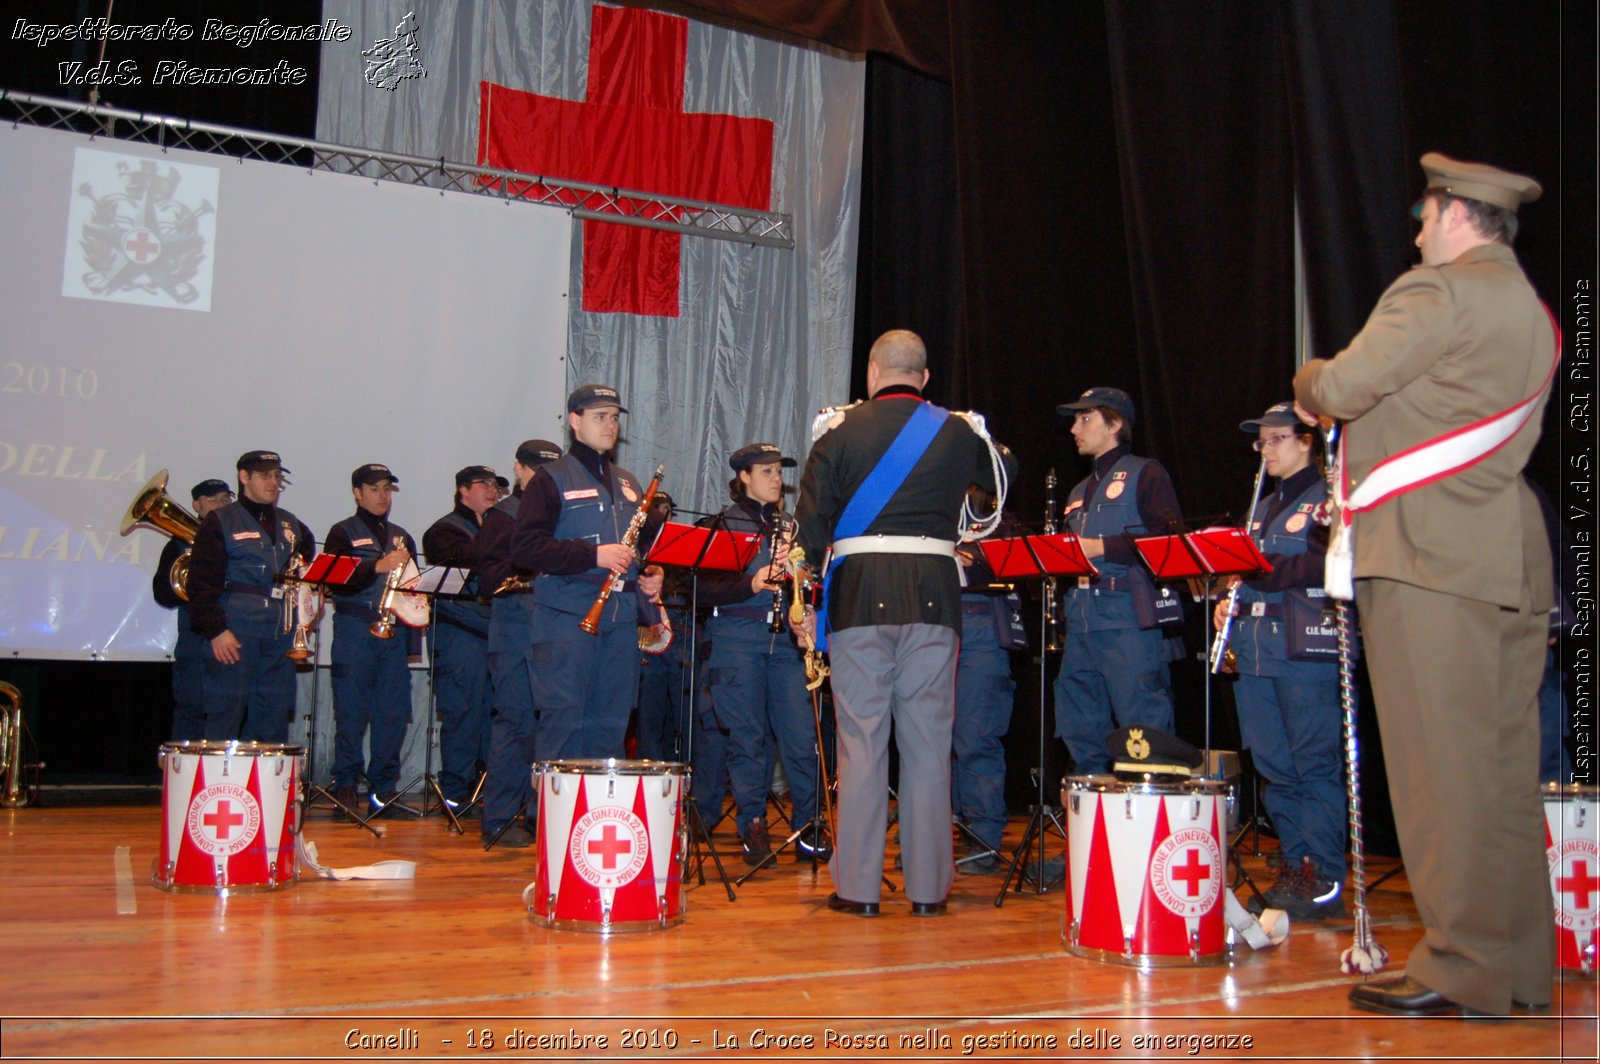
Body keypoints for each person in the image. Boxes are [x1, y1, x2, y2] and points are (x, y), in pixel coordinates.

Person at [1293, 153, 1556, 1017]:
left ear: (1452, 216)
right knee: (1502, 774)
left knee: (1440, 775)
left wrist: (1307, 379)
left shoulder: (1433, 293)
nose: (1415, 232)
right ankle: (1517, 968)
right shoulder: (1534, 313)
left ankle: (1462, 966)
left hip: (1427, 557)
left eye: (1423, 215)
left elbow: (1341, 386)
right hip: (1507, 561)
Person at [795, 329, 994, 917]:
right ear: (926, 379)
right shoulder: (959, 431)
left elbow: (808, 531)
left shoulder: (839, 433)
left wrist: (804, 605)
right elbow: (996, 487)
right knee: (930, 745)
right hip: (934, 595)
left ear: (872, 373)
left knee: (860, 742)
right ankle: (929, 890)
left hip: (859, 598)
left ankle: (858, 888)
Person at [1216, 402, 1344, 921]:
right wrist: (1233, 595)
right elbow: (1259, 571)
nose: (1265, 449)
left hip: (1304, 648)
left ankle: (1323, 873)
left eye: (1276, 440)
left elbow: (1320, 561)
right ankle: (1296, 864)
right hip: (1257, 648)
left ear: (1307, 441)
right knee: (1274, 765)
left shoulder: (1329, 498)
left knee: (1313, 762)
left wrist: (1256, 569)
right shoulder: (1262, 505)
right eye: (1260, 442)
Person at [508, 385, 664, 761]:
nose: (610, 425)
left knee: (610, 723)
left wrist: (652, 573)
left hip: (621, 619)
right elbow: (525, 548)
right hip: (567, 616)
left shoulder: (629, 483)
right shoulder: (552, 478)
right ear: (575, 421)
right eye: (600, 417)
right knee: (564, 721)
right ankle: (552, 816)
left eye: (614, 417)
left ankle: (595, 816)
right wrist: (592, 554)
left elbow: (640, 549)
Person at [698, 444, 830, 866]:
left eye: (779, 471)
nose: (776, 478)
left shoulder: (793, 526)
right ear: (744, 477)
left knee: (800, 737)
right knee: (748, 739)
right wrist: (751, 583)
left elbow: (813, 583)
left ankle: (809, 825)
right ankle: (753, 824)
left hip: (786, 644)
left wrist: (809, 600)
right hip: (738, 640)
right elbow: (702, 592)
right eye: (767, 471)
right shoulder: (722, 525)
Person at [1053, 387, 1183, 776]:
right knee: (1080, 724)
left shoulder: (1146, 472)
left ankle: (1152, 823)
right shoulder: (1078, 490)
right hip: (1081, 622)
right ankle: (1096, 825)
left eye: (1085, 418)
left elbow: (1169, 543)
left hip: (1127, 619)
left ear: (1115, 424)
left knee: (1142, 728)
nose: (1075, 427)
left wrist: (1101, 547)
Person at [187, 451, 314, 743]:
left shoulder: (290, 523)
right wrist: (216, 630)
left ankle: (265, 788)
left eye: (277, 477)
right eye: (265, 476)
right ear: (244, 477)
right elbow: (202, 582)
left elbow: (306, 565)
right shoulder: (220, 520)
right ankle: (220, 786)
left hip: (280, 630)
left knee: (273, 715)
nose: (273, 483)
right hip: (237, 627)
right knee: (226, 713)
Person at [477, 440, 561, 847]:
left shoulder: (558, 512)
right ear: (519, 470)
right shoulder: (503, 516)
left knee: (551, 724)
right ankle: (498, 816)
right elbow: (489, 577)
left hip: (550, 628)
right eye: (535, 472)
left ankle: (538, 813)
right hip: (514, 629)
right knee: (515, 722)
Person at [323, 464, 419, 815]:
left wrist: (411, 643)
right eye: (375, 489)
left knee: (392, 713)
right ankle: (346, 783)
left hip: (393, 633)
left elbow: (411, 591)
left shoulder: (401, 536)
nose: (382, 496)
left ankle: (384, 788)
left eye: (388, 489)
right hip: (355, 629)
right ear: (357, 492)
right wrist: (374, 567)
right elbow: (332, 579)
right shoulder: (342, 532)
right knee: (350, 710)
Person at [951, 455, 1024, 876]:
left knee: (976, 736)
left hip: (980, 628)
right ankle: (944, 831)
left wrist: (970, 558)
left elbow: (1016, 564)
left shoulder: (1000, 521)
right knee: (933, 739)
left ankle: (983, 836)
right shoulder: (939, 509)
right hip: (936, 622)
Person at [422, 465, 500, 814]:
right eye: (483, 484)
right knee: (462, 714)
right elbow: (471, 558)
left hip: (494, 633)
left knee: (494, 716)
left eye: (496, 485)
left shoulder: (496, 527)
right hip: (460, 634)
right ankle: (455, 791)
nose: (492, 490)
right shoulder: (442, 531)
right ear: (462, 490)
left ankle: (486, 788)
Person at [152, 478, 234, 741]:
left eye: (225, 499)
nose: (221, 504)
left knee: (230, 706)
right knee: (191, 704)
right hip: (195, 633)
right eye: (213, 500)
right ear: (196, 506)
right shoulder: (178, 545)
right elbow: (163, 593)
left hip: (233, 626)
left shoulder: (238, 540)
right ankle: (184, 775)